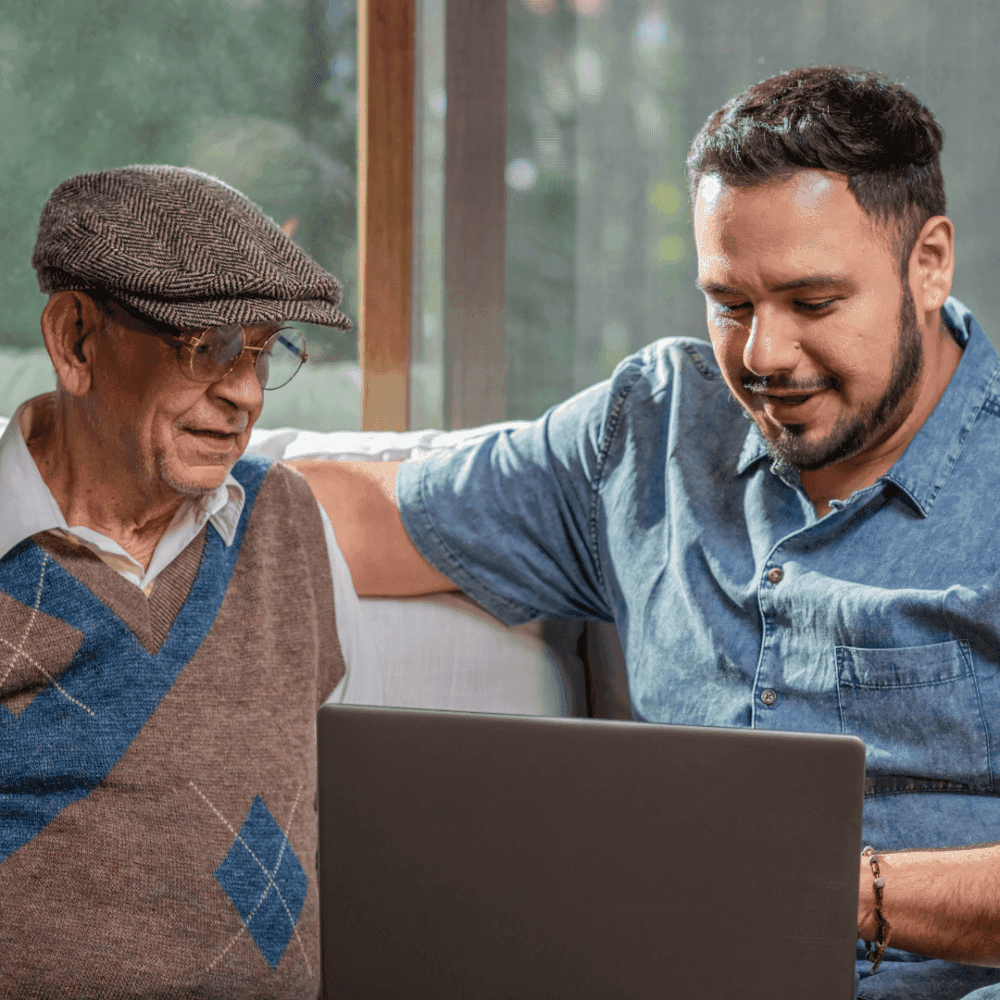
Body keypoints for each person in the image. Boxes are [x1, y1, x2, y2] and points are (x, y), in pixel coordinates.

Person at [297, 67, 1000, 999]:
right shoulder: (653, 428)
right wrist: (120, 466)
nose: (764, 356)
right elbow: (364, 518)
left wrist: (826, 888)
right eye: (731, 303)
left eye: (813, 303)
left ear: (930, 263)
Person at [0, 165, 383, 998]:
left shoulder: (286, 523)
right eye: (204, 345)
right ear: (75, 341)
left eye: (263, 348)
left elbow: (348, 793)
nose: (244, 392)